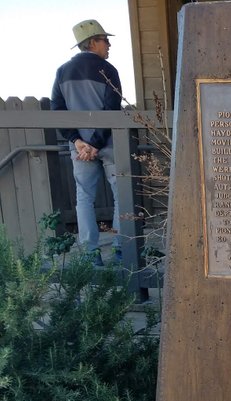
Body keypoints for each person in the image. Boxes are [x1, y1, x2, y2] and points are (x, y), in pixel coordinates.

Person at [51, 19, 123, 265]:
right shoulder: (108, 70)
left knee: (84, 198)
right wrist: (96, 143)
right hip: (109, 145)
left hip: (80, 148)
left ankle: (90, 255)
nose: (109, 44)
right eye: (104, 39)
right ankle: (120, 250)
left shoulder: (62, 72)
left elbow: (57, 110)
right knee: (121, 196)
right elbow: (112, 110)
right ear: (92, 42)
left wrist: (77, 141)